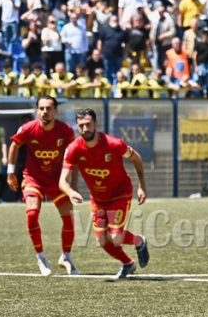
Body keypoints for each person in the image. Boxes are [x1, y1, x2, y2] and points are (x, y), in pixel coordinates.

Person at [59, 108, 149, 279]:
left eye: (88, 124)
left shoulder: (114, 144)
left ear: (96, 124)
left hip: (120, 194)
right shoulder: (73, 149)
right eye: (81, 126)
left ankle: (139, 241)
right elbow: (62, 180)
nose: (85, 129)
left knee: (115, 237)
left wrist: (142, 186)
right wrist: (70, 192)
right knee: (101, 240)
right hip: (98, 199)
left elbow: (136, 158)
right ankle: (128, 264)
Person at [7, 95, 79, 276]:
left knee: (69, 218)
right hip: (33, 178)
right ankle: (41, 256)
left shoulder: (66, 131)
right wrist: (10, 173)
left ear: (55, 111)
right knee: (32, 213)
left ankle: (66, 257)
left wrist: (73, 186)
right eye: (41, 108)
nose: (45, 112)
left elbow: (74, 156)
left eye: (49, 108)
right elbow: (14, 146)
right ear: (37, 110)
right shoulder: (28, 128)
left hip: (57, 180)